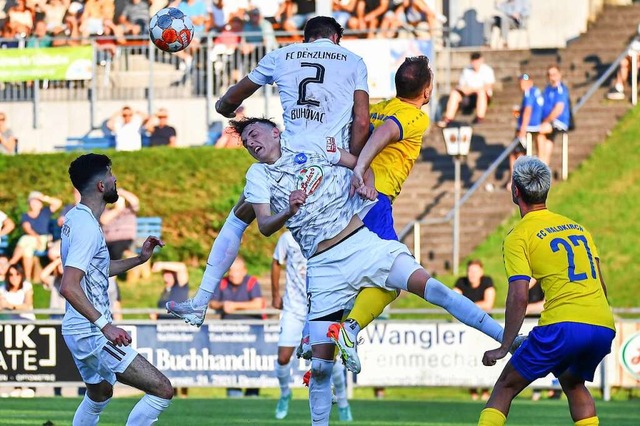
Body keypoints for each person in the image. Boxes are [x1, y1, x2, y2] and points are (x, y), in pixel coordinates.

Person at [235, 116, 506, 425]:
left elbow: (363, 165)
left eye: (254, 134)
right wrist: (288, 209)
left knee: (436, 289)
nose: (251, 143)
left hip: (363, 244)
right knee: (321, 367)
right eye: (245, 142)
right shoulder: (258, 175)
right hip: (324, 268)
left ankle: (506, 338)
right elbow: (266, 226)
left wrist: (365, 184)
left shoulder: (310, 146)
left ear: (275, 132)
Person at [167, 16, 370, 323]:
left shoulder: (282, 55)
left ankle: (202, 300)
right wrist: (355, 164)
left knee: (238, 218)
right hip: (330, 154)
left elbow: (233, 97)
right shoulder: (354, 61)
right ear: (336, 38)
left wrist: (224, 107)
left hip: (289, 154)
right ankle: (339, 322)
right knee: (351, 246)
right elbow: (363, 121)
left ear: (305, 38)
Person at [477, 156, 616, 426]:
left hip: (563, 326)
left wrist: (505, 346)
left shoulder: (519, 235)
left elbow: (519, 295)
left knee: (505, 386)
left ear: (515, 191)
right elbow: (601, 284)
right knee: (573, 383)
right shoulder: (579, 229)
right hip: (602, 324)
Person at [60, 153, 172, 425]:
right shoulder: (87, 226)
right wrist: (104, 326)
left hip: (78, 330)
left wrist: (139, 259)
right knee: (161, 390)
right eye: (110, 174)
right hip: (91, 333)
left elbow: (98, 269)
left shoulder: (77, 218)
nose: (115, 179)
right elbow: (69, 285)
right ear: (101, 186)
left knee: (100, 394)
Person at [271, 231, 352, 421]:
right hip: (294, 308)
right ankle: (284, 394)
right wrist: (275, 294)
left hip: (320, 308)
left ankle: (342, 402)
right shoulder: (288, 238)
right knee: (283, 358)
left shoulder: (326, 232)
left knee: (329, 361)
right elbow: (276, 262)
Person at [209, 256, 264, 398]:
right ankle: (234, 395)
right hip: (229, 335)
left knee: (253, 364)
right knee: (231, 365)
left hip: (251, 334)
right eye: (231, 271)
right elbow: (213, 303)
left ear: (244, 271)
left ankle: (253, 395)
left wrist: (235, 306)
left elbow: (258, 304)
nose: (233, 274)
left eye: (237, 271)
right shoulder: (222, 283)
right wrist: (222, 305)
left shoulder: (251, 282)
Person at [454, 259, 495, 401]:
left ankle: (485, 389)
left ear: (481, 272)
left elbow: (488, 304)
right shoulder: (461, 282)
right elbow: (454, 301)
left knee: (486, 356)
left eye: (475, 271)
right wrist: (477, 307)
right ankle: (472, 389)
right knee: (469, 357)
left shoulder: (487, 282)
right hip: (466, 328)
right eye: (470, 271)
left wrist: (467, 307)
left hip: (484, 328)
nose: (472, 274)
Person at [150, 261, 190, 398]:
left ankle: (184, 394)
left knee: (182, 362)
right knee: (168, 364)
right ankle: (172, 391)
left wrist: (161, 264)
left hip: (179, 332)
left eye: (169, 274)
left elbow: (182, 267)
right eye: (164, 274)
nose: (166, 276)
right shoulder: (165, 292)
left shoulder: (181, 287)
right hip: (164, 334)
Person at [9, 191, 62, 282]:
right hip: (33, 240)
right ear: (30, 203)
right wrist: (37, 237)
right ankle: (28, 279)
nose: (35, 203)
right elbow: (27, 228)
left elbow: (58, 203)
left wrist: (44, 198)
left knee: (25, 239)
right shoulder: (26, 216)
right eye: (33, 201)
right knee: (27, 248)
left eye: (37, 201)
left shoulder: (45, 211)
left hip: (43, 239)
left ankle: (11, 262)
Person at [437, 52, 495, 127]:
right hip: (468, 96)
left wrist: (474, 89)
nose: (476, 64)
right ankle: (448, 118)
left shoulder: (487, 70)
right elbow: (461, 86)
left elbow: (489, 86)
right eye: (474, 62)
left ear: (481, 61)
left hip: (482, 96)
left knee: (481, 92)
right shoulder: (466, 70)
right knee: (454, 94)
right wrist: (467, 90)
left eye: (477, 61)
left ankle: (479, 117)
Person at [507, 73, 543, 191]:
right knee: (520, 152)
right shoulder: (536, 92)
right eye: (521, 82)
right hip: (534, 127)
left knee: (515, 153)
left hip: (528, 128)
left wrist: (522, 128)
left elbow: (528, 111)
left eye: (524, 81)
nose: (522, 84)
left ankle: (515, 180)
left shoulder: (529, 93)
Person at [537, 65, 571, 166]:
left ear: (559, 75)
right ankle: (543, 165)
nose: (552, 77)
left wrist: (546, 121)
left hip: (558, 121)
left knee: (538, 131)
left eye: (554, 74)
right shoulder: (547, 89)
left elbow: (558, 109)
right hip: (548, 121)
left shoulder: (560, 90)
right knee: (545, 139)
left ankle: (540, 162)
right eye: (550, 75)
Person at [100, 188, 139, 261]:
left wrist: (121, 192)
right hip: (108, 241)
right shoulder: (106, 210)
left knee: (116, 251)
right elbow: (104, 220)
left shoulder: (130, 210)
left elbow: (135, 201)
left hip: (124, 240)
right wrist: (117, 210)